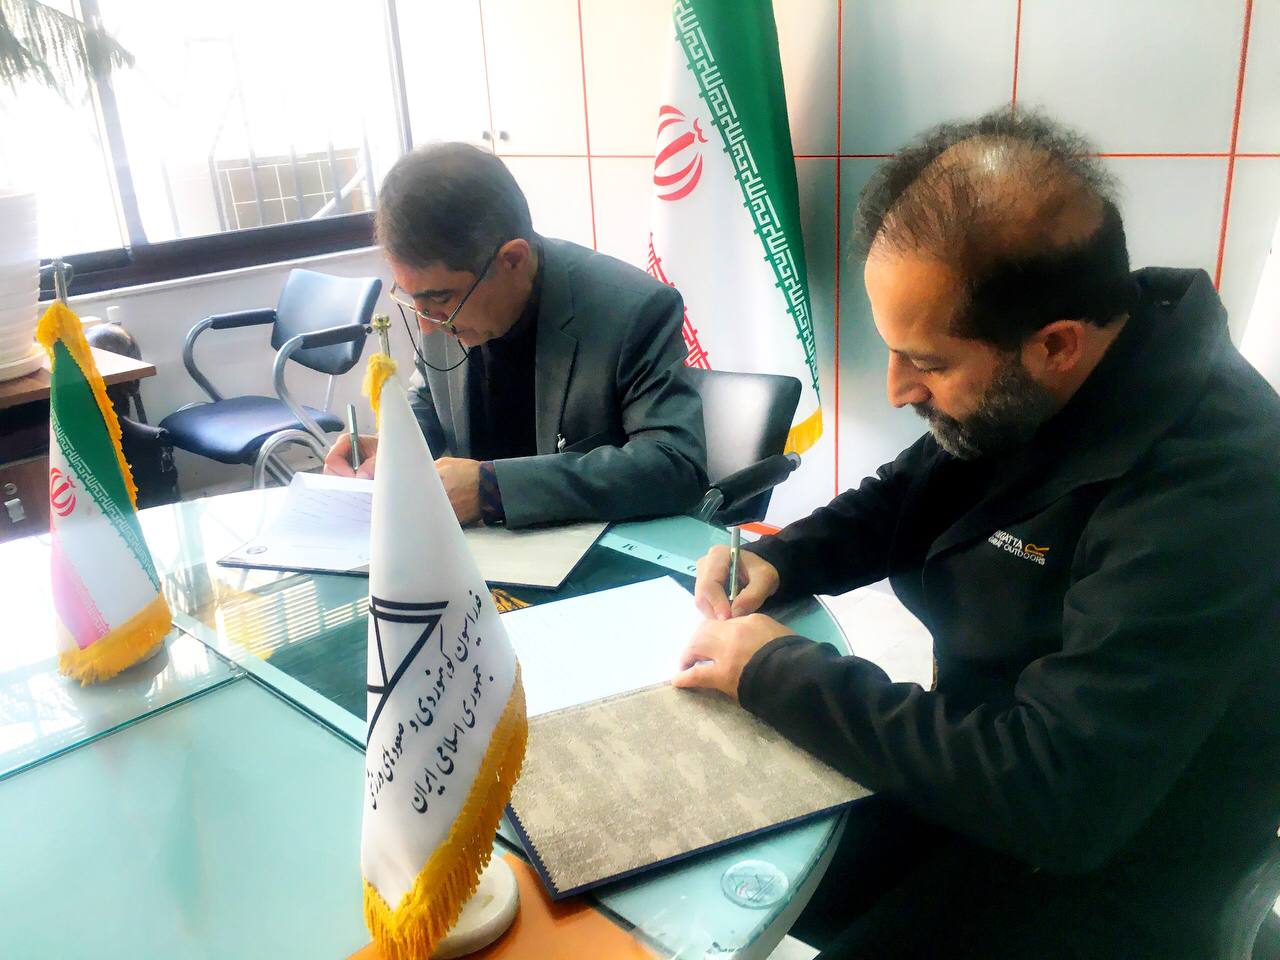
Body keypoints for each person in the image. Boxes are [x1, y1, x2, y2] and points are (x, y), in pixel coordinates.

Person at [674, 109, 1280, 958]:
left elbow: (1063, 793)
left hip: (1113, 856)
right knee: (710, 842)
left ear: (1055, 346)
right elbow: (909, 493)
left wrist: (780, 670)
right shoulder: (1054, 368)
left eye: (926, 362)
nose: (896, 389)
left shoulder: (1215, 483)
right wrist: (781, 558)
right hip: (978, 765)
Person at [325, 142, 707, 528]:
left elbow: (675, 465)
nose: (427, 325)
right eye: (413, 300)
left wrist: (493, 489)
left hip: (594, 546)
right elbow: (430, 399)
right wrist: (394, 449)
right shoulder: (442, 303)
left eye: (439, 300)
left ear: (513, 259)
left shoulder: (633, 310)